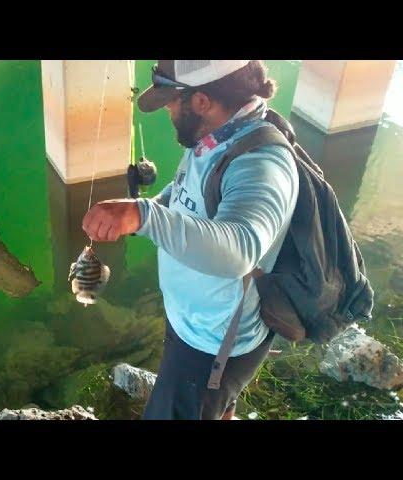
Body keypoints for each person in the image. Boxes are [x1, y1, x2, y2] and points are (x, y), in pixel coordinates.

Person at [82, 60, 299, 420]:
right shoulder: (217, 134)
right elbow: (187, 193)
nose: (167, 109)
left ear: (201, 101)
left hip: (214, 345)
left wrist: (144, 217)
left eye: (171, 100)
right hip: (193, 324)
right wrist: (143, 210)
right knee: (214, 410)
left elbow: (240, 249)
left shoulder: (261, 162)